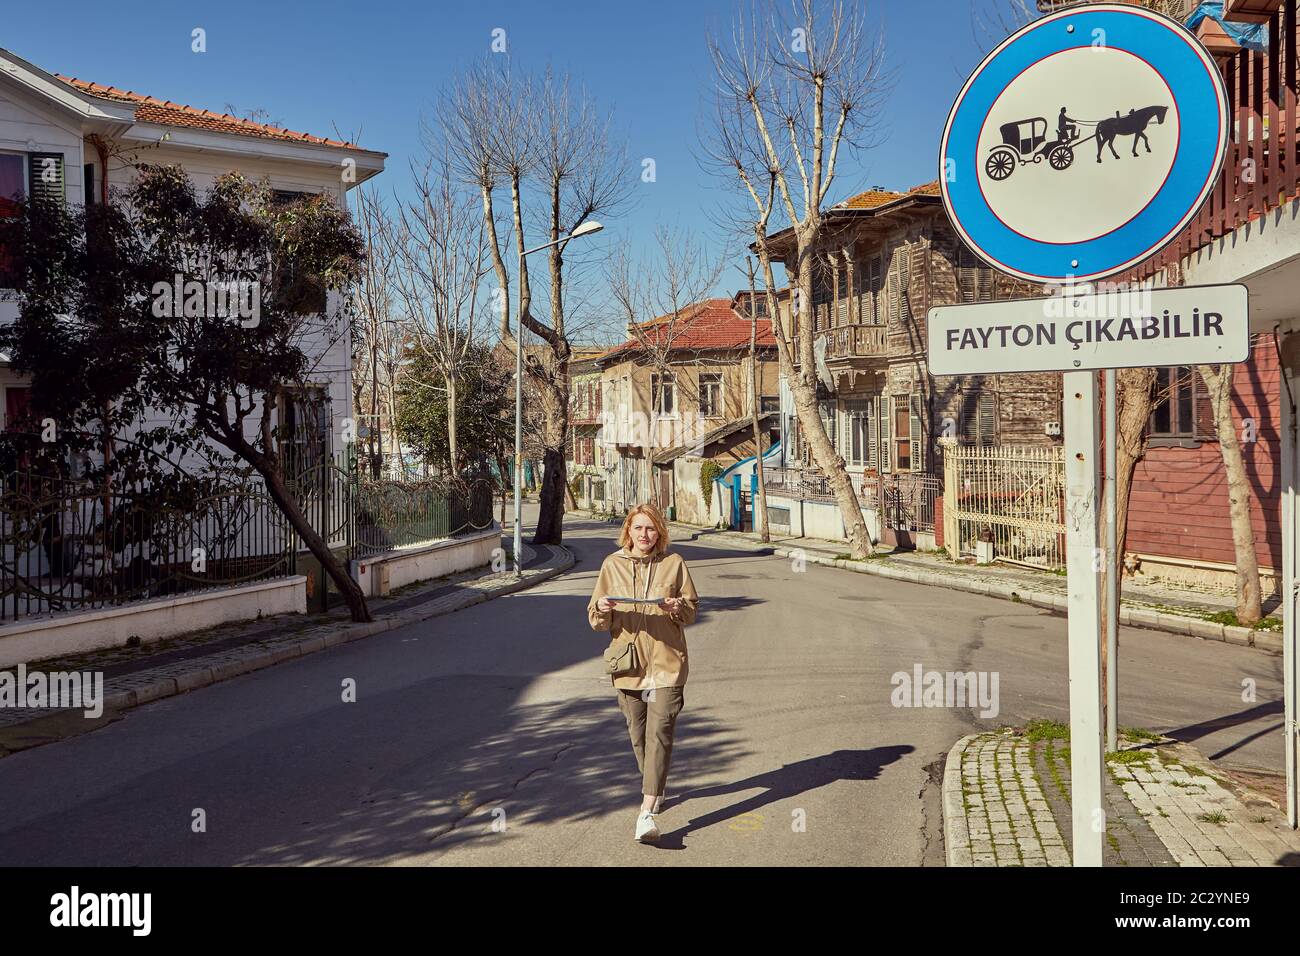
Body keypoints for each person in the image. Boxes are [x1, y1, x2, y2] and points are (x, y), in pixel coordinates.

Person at [587, 503, 699, 844]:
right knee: (639, 736)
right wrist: (603, 609)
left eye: (650, 529)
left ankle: (646, 813)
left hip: (668, 665)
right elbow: (594, 618)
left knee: (660, 734)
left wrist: (677, 607)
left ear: (659, 532)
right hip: (628, 666)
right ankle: (655, 785)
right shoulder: (612, 565)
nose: (644, 535)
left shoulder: (674, 564)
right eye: (638, 529)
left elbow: (692, 612)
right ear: (628, 532)